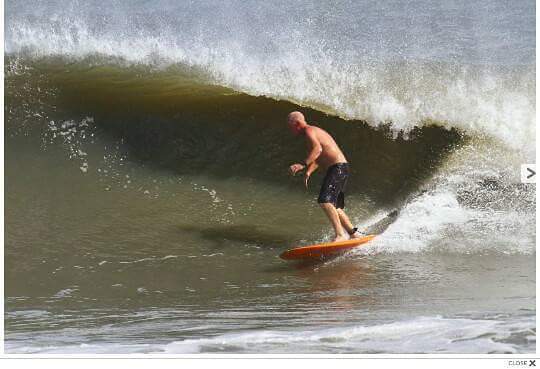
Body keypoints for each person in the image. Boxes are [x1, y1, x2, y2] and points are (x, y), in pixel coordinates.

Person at [287, 111, 363, 242]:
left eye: (290, 127)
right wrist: (309, 172)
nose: (290, 131)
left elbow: (318, 150)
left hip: (337, 168)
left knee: (325, 200)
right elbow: (318, 157)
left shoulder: (309, 131)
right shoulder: (314, 132)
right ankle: (353, 233)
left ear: (297, 124)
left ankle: (340, 235)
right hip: (341, 168)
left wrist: (302, 164)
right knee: (335, 205)